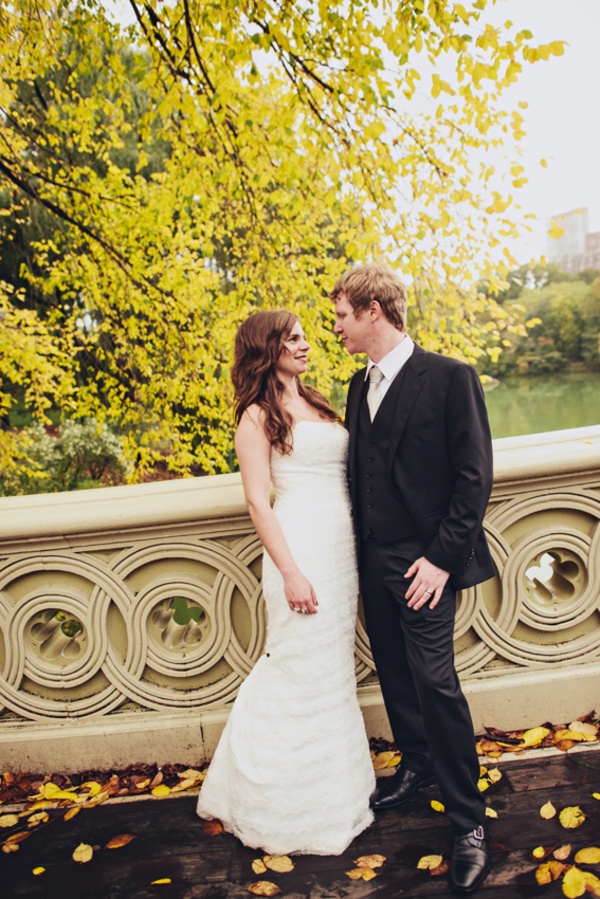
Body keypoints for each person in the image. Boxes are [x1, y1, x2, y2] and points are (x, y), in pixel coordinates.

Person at [331, 262, 494, 894]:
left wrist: (442, 558)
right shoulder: (355, 385)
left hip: (427, 561)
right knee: (395, 670)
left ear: (375, 310)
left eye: (343, 315)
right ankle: (417, 764)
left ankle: (469, 822)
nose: (338, 327)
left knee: (434, 680)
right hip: (372, 558)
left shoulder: (451, 378)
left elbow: (473, 477)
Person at [196, 309, 375, 855]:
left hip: (341, 551)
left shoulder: (320, 402)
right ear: (266, 347)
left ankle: (337, 792)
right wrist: (292, 571)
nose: (305, 344)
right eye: (292, 337)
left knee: (330, 671)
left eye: (303, 336)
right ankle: (271, 797)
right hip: (299, 549)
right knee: (298, 665)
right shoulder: (255, 417)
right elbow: (257, 501)